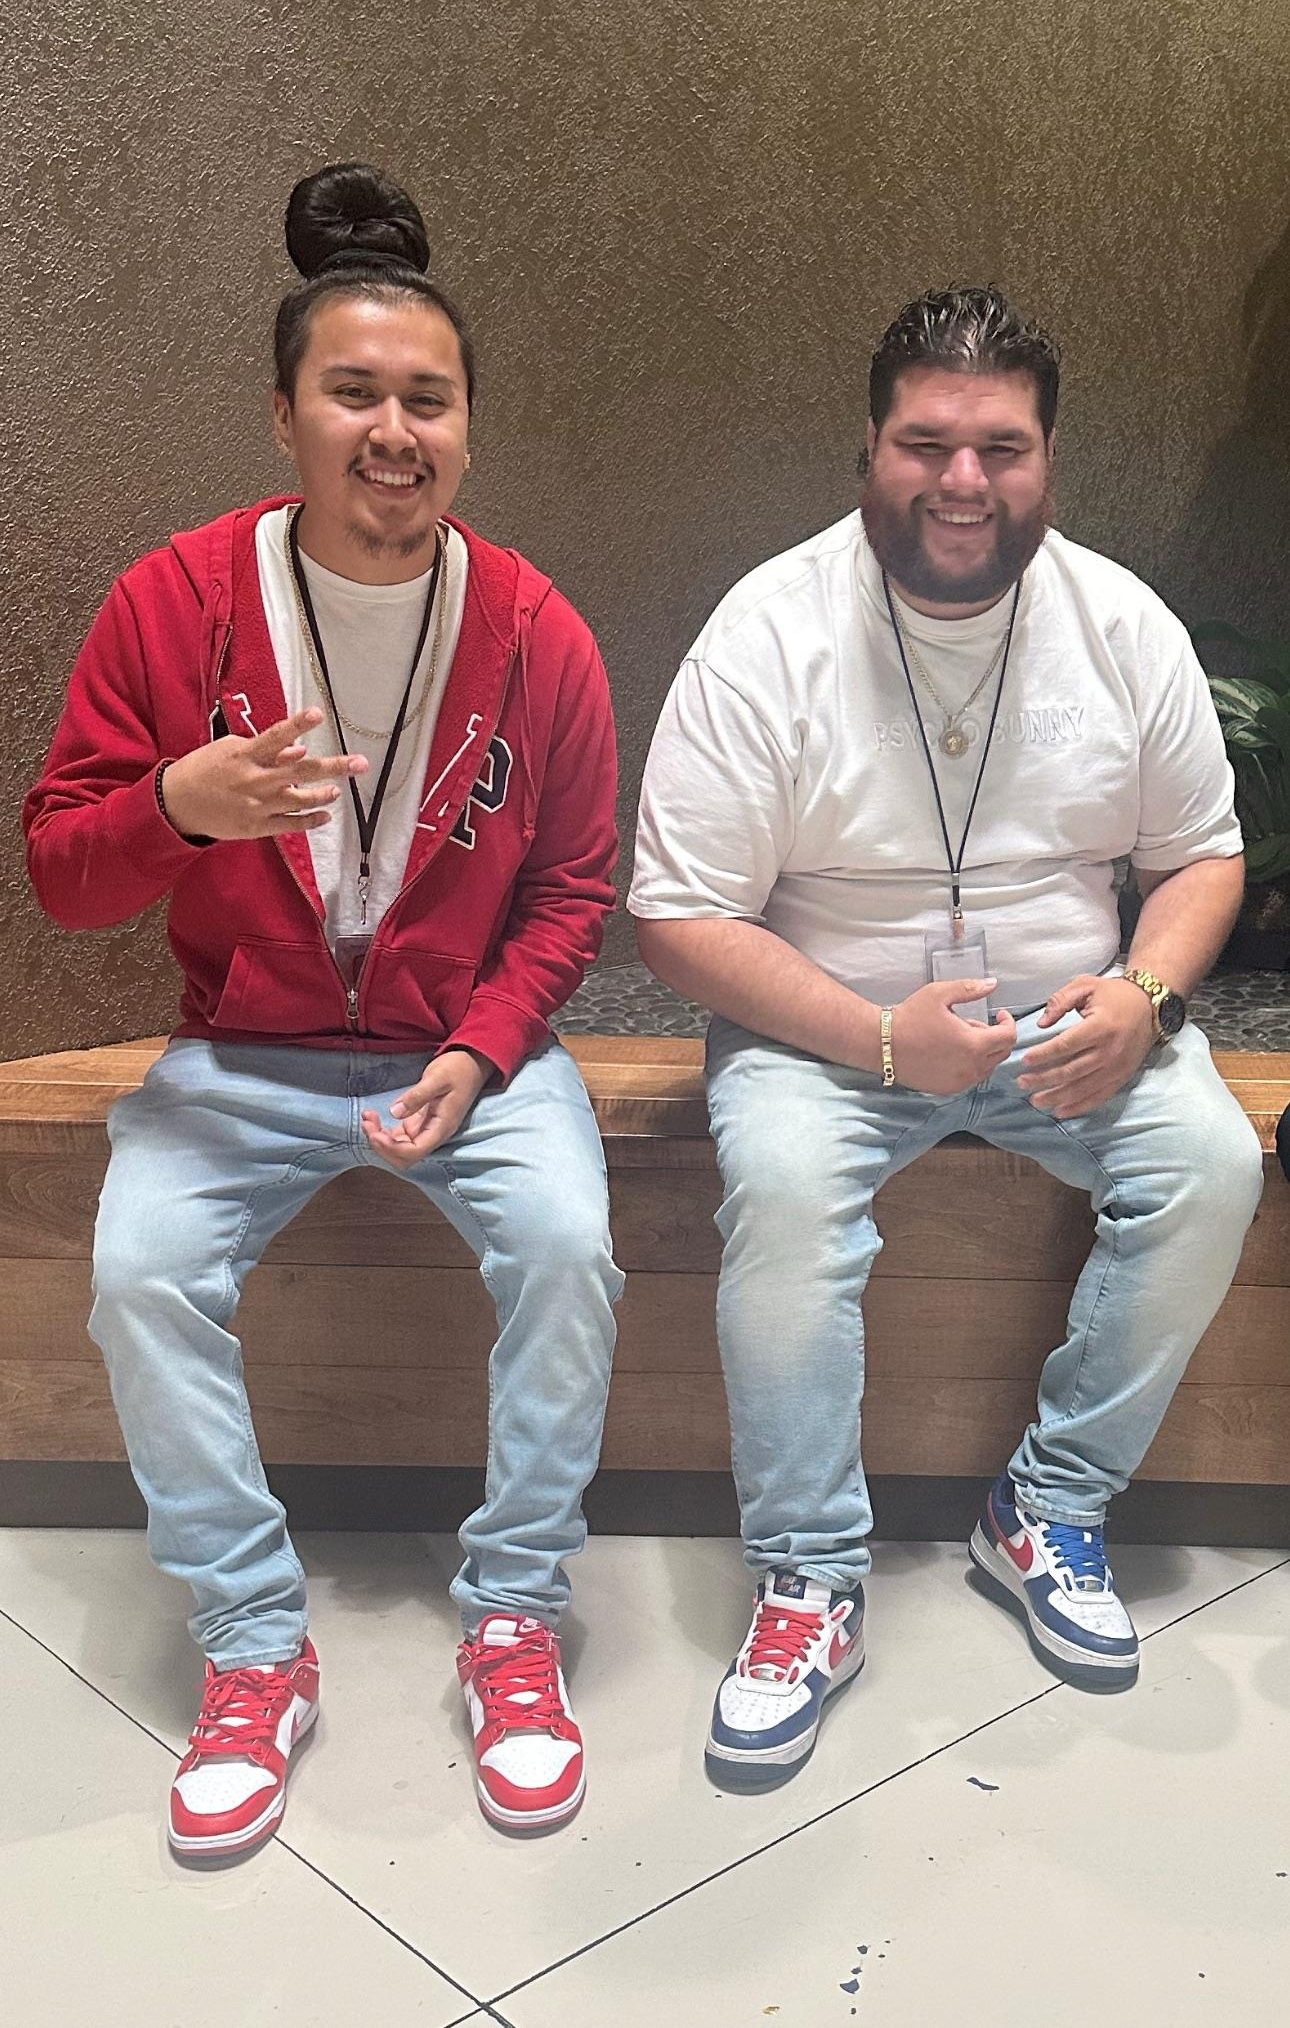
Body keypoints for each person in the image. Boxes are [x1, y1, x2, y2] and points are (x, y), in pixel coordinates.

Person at [24, 164, 622, 1852]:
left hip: (464, 1053)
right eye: (352, 390)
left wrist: (481, 1045)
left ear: (467, 429)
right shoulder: (172, 601)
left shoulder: (535, 630)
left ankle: (513, 1615)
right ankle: (250, 1644)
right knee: (141, 1272)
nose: (392, 427)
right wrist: (180, 807)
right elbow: (65, 870)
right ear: (283, 413)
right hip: (242, 1051)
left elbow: (575, 886)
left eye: (426, 398)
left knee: (572, 1246)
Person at [631, 284, 1263, 1788]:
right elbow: (675, 912)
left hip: (1071, 1022)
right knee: (783, 1197)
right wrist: (869, 1035)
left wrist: (1146, 997)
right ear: (869, 446)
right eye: (926, 442)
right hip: (822, 1024)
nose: (962, 482)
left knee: (1212, 1162)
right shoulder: (766, 629)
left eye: (1000, 446)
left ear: (1047, 458)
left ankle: (1046, 1504)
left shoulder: (1120, 624)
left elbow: (1204, 853)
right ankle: (806, 1579)